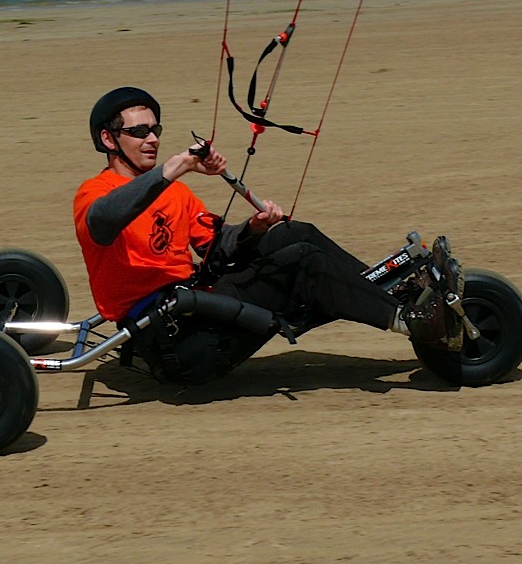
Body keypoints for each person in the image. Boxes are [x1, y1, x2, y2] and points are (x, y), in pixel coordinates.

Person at [73, 86, 462, 384]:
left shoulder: (176, 194)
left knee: (292, 233)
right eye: (139, 131)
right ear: (109, 139)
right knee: (303, 263)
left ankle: (393, 296)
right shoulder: (95, 194)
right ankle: (412, 322)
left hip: (198, 307)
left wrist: (253, 229)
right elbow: (105, 221)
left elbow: (216, 250)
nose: (153, 139)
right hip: (178, 342)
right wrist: (173, 168)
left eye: (155, 129)